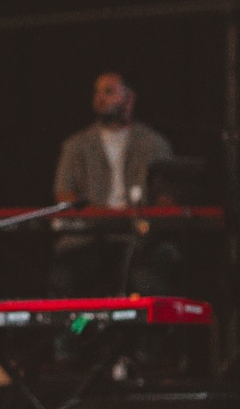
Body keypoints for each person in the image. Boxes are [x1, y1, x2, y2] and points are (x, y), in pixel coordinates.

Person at [50, 71, 177, 297]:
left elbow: (166, 197)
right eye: (96, 92)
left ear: (130, 98)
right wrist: (101, 216)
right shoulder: (76, 145)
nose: (100, 98)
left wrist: (149, 219)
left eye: (108, 92)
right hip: (89, 237)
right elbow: (63, 194)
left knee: (151, 278)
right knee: (65, 273)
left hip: (140, 239)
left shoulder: (154, 143)